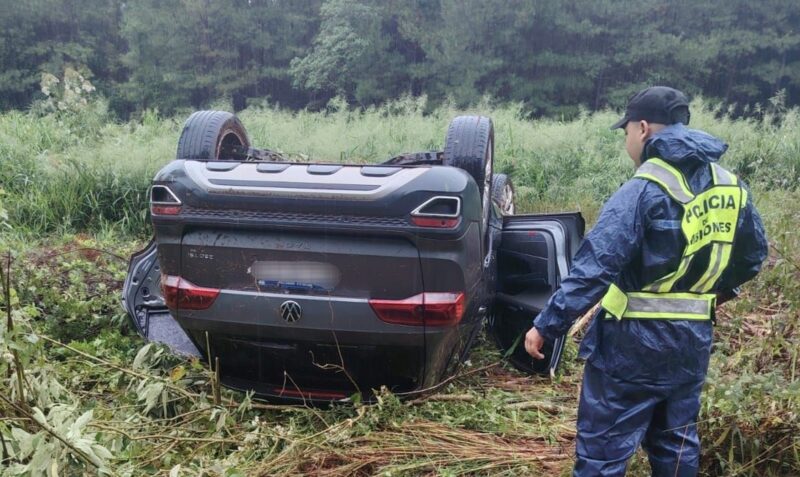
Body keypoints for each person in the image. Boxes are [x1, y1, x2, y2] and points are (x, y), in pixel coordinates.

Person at [523, 86, 768, 476]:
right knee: (676, 445)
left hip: (629, 351)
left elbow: (596, 266)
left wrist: (546, 325)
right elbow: (753, 256)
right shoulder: (730, 186)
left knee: (604, 453)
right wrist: (710, 293)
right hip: (691, 346)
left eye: (626, 134)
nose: (627, 142)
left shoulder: (643, 188)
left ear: (642, 128)